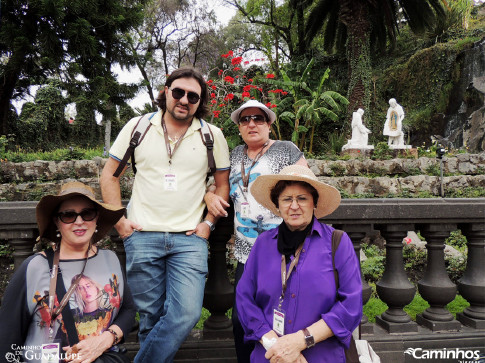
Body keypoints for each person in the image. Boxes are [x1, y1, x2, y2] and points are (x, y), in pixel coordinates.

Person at [100, 66, 230, 363]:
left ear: (200, 101)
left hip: (189, 239)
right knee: (151, 318)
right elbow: (109, 176)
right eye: (178, 92)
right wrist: (119, 222)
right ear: (165, 92)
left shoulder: (212, 135)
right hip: (142, 235)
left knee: (186, 313)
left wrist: (208, 224)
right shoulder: (138, 127)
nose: (185, 100)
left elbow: (222, 186)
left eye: (193, 96)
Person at [205, 99, 307, 362]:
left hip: (283, 250)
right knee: (242, 321)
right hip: (245, 253)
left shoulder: (286, 150)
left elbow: (307, 188)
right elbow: (216, 185)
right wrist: (208, 197)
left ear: (269, 124)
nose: (251, 123)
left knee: (283, 318)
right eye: (245, 119)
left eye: (258, 118)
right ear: (239, 127)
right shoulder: (235, 153)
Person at [236, 165, 362, 363]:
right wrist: (275, 346)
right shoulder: (263, 243)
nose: (294, 206)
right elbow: (244, 298)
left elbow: (351, 305)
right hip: (270, 355)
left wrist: (300, 341)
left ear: (314, 203)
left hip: (321, 355)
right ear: (277, 205)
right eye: (287, 199)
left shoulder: (337, 242)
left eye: (302, 198)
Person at [0, 181, 135, 363]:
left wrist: (106, 339)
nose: (79, 221)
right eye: (68, 215)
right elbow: (8, 336)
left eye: (87, 213)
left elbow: (128, 310)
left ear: (96, 218)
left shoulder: (110, 259)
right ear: (57, 221)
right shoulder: (34, 267)